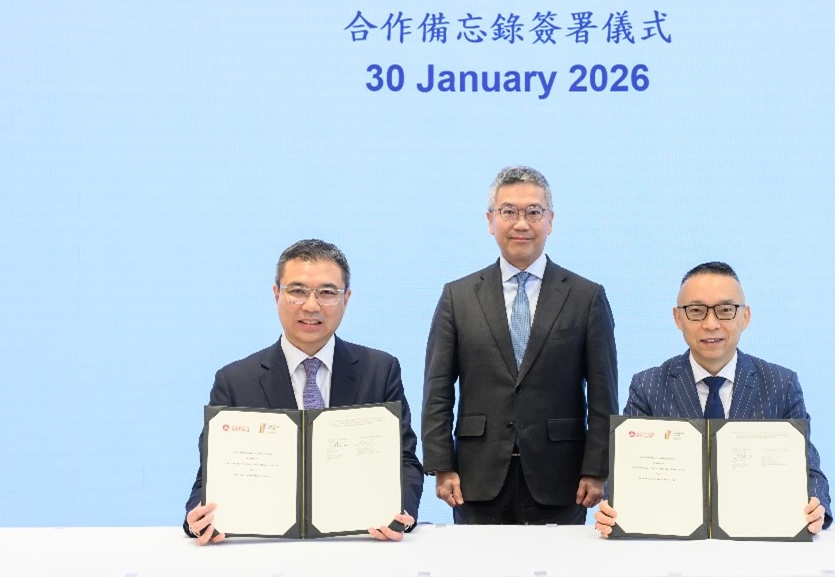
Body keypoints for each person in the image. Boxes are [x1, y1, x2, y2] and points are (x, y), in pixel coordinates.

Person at [184, 239, 424, 543]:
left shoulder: (380, 370)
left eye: (326, 293)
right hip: (267, 547)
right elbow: (209, 476)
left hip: (358, 542)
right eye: (297, 291)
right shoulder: (235, 380)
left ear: (346, 299)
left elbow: (404, 461)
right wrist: (197, 518)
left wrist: (401, 512)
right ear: (276, 294)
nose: (311, 306)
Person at [423, 166, 619, 524]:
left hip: (562, 476)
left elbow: (603, 391)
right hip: (476, 477)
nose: (521, 223)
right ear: (490, 220)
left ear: (550, 220)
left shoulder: (586, 296)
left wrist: (598, 467)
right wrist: (441, 465)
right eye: (508, 211)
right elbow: (437, 389)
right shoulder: (458, 296)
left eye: (533, 212)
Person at [594, 261, 831, 538]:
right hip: (672, 541)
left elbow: (808, 467)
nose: (711, 324)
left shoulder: (781, 383)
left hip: (756, 538)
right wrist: (614, 509)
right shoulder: (648, 385)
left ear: (745, 316)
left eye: (725, 310)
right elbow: (626, 474)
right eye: (696, 311)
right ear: (677, 318)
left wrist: (817, 505)